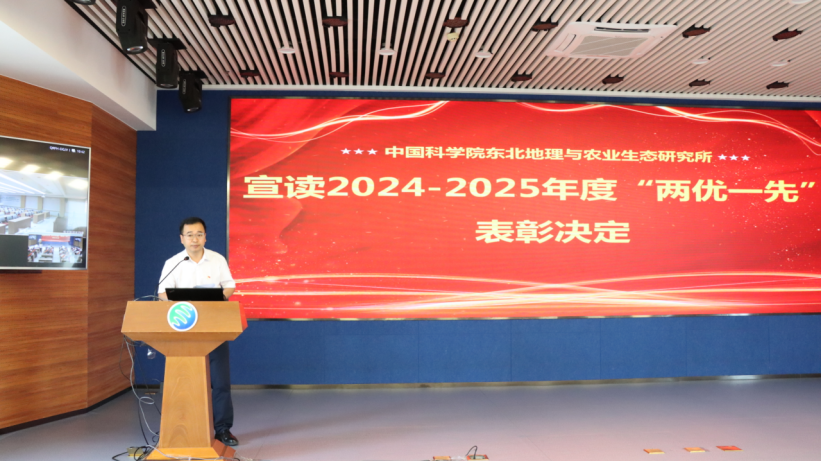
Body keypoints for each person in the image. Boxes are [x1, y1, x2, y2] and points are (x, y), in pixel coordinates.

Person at [157, 217, 239, 447]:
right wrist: (182, 304)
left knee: (220, 381)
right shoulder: (173, 262)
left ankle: (223, 429)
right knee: (185, 381)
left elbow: (230, 285)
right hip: (184, 327)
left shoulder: (217, 259)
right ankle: (183, 428)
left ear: (205, 237)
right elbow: (162, 293)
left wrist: (218, 299)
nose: (195, 239)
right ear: (182, 238)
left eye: (199, 234)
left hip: (213, 326)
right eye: (190, 234)